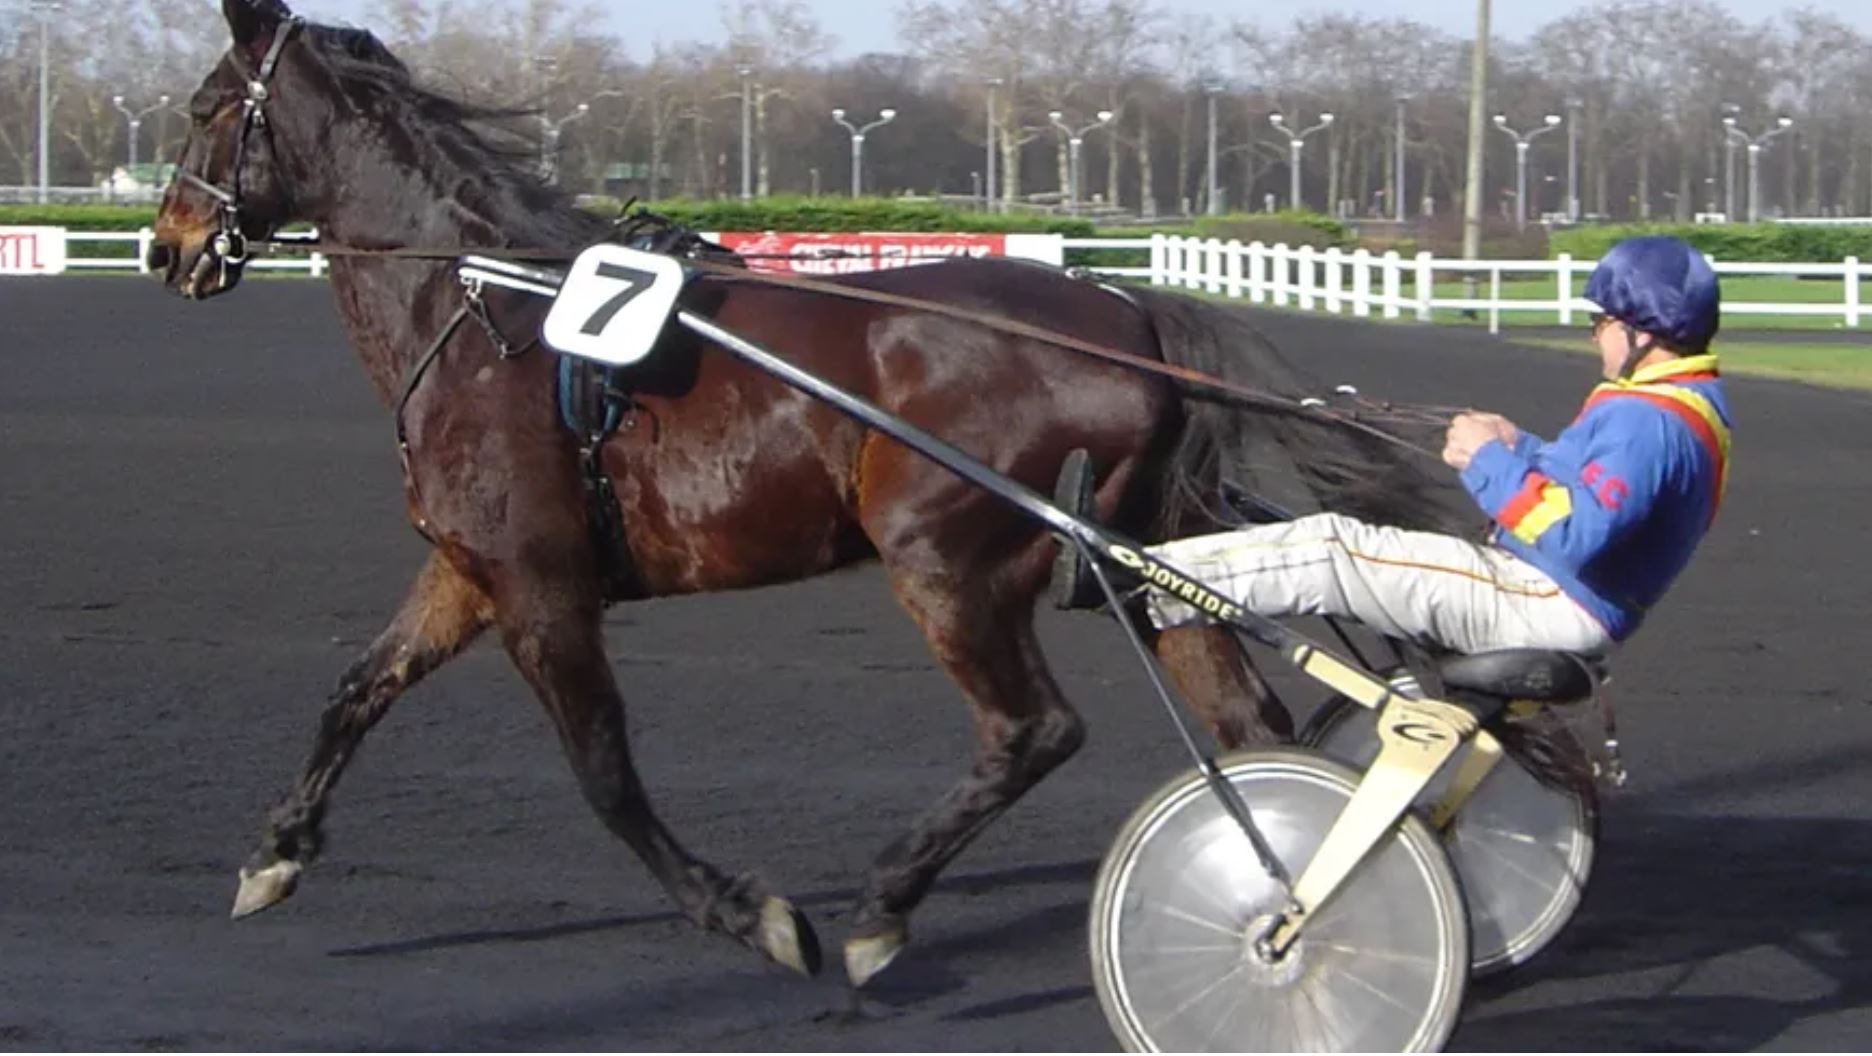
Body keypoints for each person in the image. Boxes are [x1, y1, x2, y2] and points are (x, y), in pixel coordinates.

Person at [1140, 235, 1731, 658]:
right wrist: (1517, 444)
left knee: (1334, 548)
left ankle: (1145, 585)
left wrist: (1489, 460)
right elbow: (1587, 493)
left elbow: (1575, 534)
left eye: (1599, 322)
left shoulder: (1647, 418)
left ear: (1642, 331)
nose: (1595, 336)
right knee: (1343, 545)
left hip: (1548, 599)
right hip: (1558, 596)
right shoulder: (1677, 404)